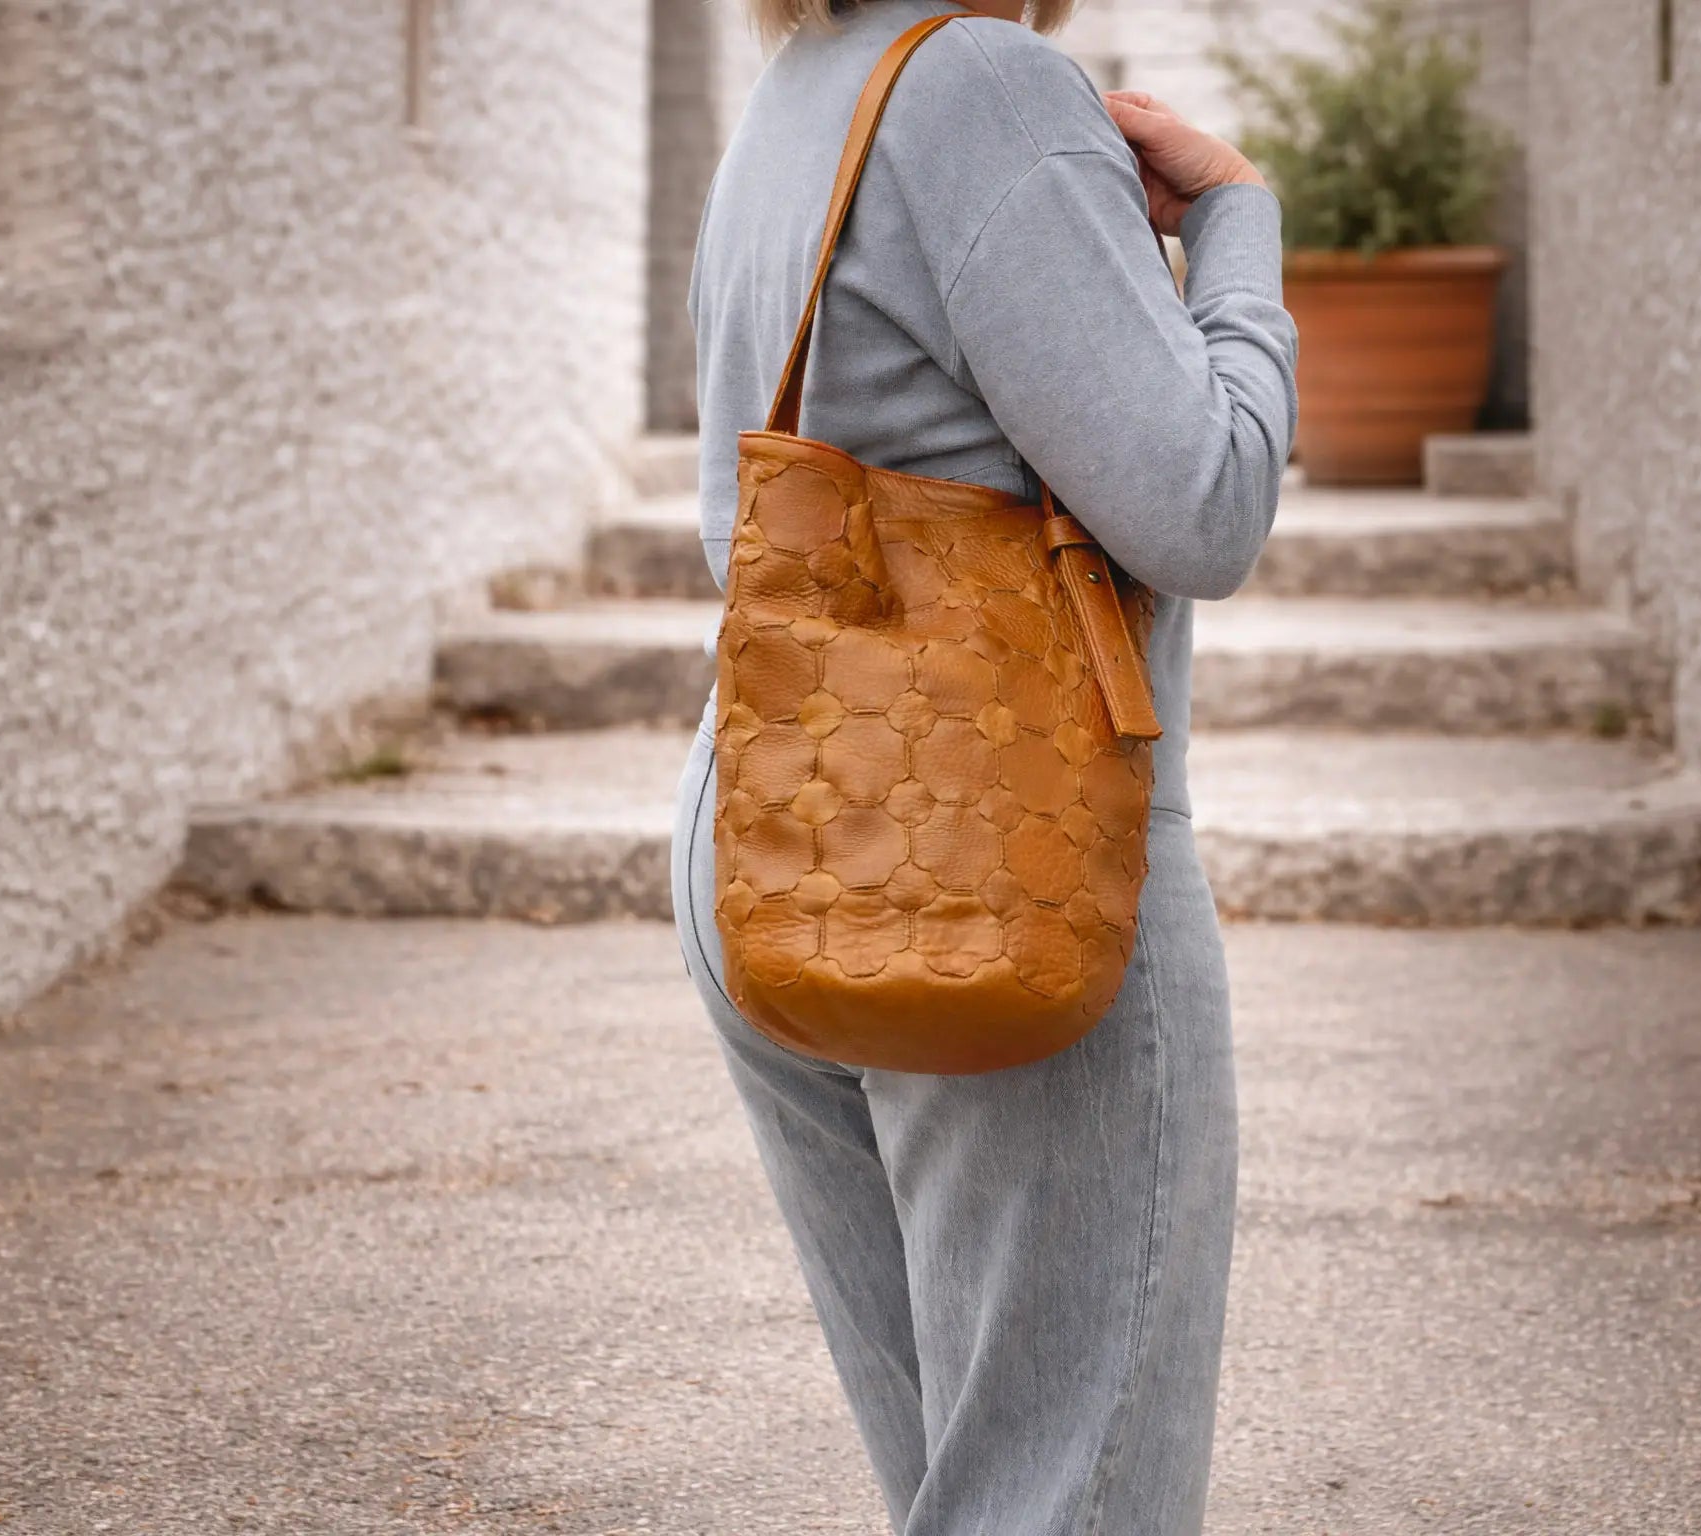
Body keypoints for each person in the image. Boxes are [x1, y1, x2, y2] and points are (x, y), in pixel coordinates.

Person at [667, 1, 1298, 1529]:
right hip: (999, 854)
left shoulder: (803, 88)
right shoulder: (984, 88)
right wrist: (1236, 227)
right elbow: (1204, 506)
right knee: (1061, 1499)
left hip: (772, 819)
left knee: (975, 1487)